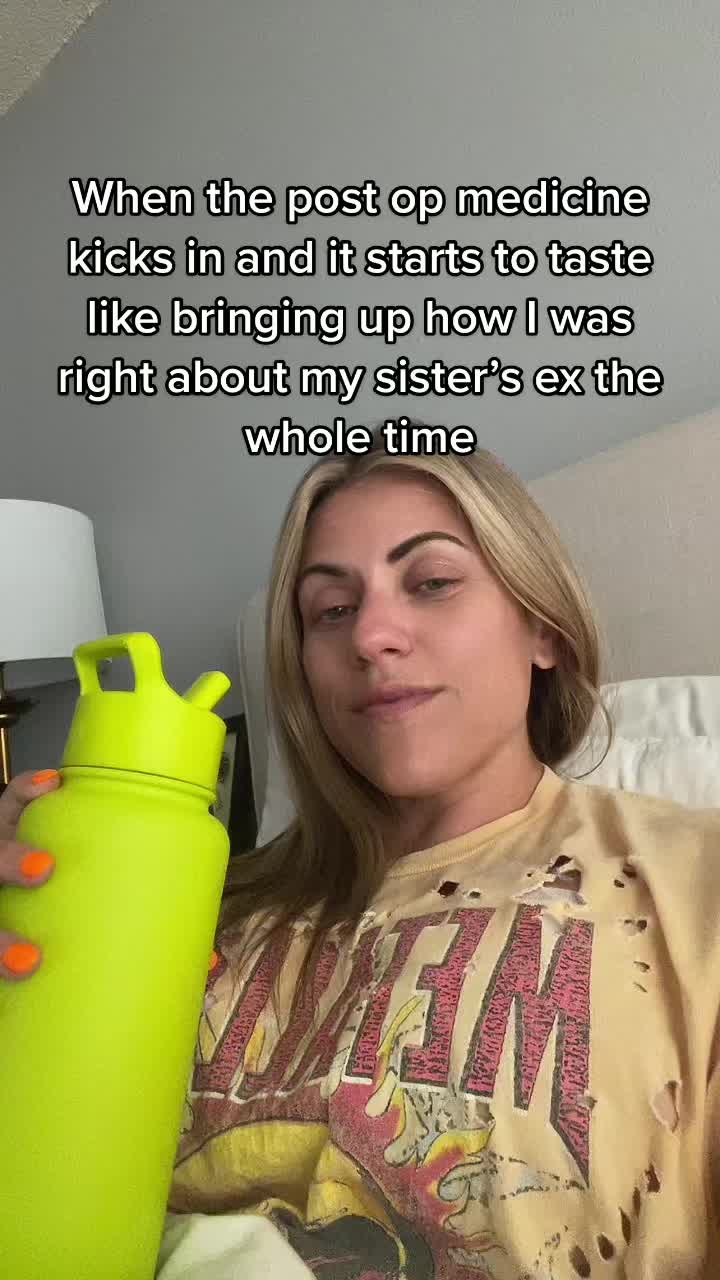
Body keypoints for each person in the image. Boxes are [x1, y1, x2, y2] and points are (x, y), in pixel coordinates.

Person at [3, 425, 720, 1280]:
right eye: (331, 610)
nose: (371, 636)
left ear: (543, 628)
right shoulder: (190, 905)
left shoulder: (694, 887)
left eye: (432, 582)